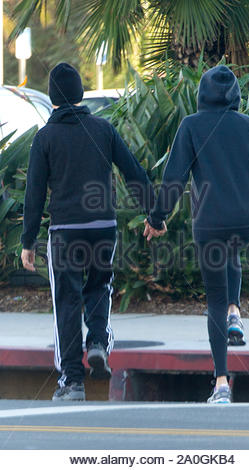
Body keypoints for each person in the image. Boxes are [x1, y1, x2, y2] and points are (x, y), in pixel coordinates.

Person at [144, 65, 249, 404]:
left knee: (214, 300)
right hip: (247, 221)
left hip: (210, 222)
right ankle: (236, 312)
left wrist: (157, 218)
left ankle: (221, 384)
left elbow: (174, 180)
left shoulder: (191, 125)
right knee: (231, 249)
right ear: (234, 94)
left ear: (203, 92)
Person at [21, 62, 155, 401]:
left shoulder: (44, 138)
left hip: (65, 231)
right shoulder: (103, 129)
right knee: (100, 286)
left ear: (51, 98)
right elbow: (133, 172)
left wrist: (27, 242)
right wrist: (155, 213)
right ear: (80, 94)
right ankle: (97, 341)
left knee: (66, 301)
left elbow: (34, 194)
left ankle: (72, 381)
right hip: (103, 227)